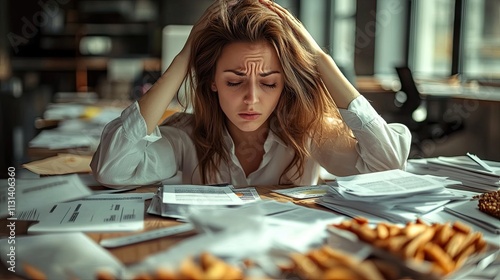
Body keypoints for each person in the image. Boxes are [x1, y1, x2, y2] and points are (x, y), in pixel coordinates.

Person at [90, 0, 411, 188]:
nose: (252, 98)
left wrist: (318, 58)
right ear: (212, 82)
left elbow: (387, 166)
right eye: (234, 81)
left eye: (269, 83)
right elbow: (111, 167)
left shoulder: (309, 132)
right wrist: (185, 57)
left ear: (284, 84)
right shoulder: (187, 137)